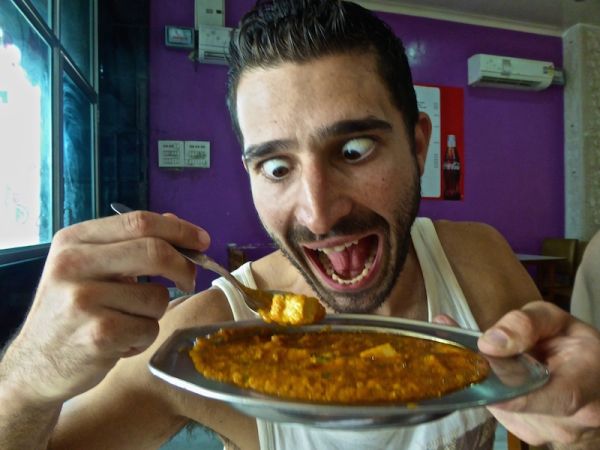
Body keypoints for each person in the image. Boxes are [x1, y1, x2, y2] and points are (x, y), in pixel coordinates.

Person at [1, 1, 599, 449]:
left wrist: (584, 424)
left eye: (356, 149)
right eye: (278, 165)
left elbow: (555, 422)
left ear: (419, 146)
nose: (318, 211)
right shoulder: (202, 343)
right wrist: (25, 382)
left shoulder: (479, 260)